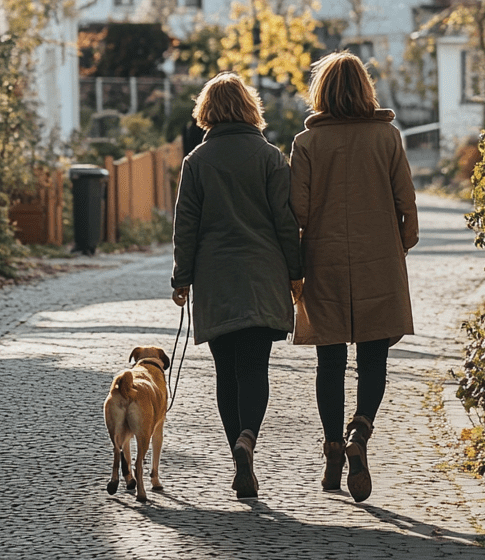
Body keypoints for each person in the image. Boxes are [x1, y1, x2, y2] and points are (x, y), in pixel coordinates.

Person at [289, 51, 418, 504]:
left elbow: (298, 212)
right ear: (365, 88)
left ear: (320, 92)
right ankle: (360, 429)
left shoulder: (306, 145)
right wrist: (398, 243)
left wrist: (295, 263)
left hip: (323, 258)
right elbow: (407, 204)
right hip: (377, 257)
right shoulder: (387, 137)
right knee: (374, 358)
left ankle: (332, 449)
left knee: (330, 363)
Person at [171, 72, 303, 500]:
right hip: (263, 275)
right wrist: (296, 272)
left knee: (225, 373)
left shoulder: (196, 162)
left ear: (206, 111)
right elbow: (286, 220)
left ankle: (235, 453)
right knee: (254, 369)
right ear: (250, 107)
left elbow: (185, 226)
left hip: (215, 279)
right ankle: (249, 437)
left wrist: (182, 278)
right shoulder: (269, 157)